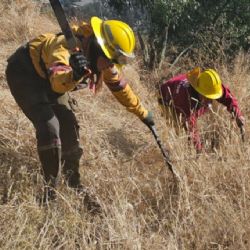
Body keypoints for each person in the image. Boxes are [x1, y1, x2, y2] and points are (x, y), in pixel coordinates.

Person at [5, 16, 154, 205]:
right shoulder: (63, 47)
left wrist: (144, 114)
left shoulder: (102, 59)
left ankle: (73, 181)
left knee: (69, 125)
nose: (111, 65)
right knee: (50, 126)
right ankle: (50, 192)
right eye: (110, 59)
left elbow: (120, 88)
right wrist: (74, 73)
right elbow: (59, 84)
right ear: (98, 48)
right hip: (25, 73)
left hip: (52, 80)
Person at [158, 67, 245, 153]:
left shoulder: (211, 85)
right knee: (178, 132)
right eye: (207, 97)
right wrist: (199, 150)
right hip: (166, 99)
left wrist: (238, 115)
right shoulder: (186, 99)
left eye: (211, 97)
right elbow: (190, 127)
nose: (210, 100)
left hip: (182, 93)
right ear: (198, 90)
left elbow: (228, 98)